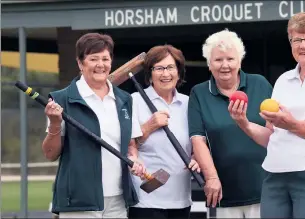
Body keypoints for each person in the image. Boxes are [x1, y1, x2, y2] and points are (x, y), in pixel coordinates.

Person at [228, 12, 305, 218]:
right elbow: (272, 137)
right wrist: (243, 122)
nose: (303, 45)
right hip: (276, 177)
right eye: (297, 39)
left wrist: (294, 125)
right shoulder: (283, 81)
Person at [42, 32, 145, 218]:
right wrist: (56, 123)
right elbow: (50, 154)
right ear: (80, 63)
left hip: (118, 199)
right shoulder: (61, 100)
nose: (101, 64)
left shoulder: (125, 100)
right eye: (93, 59)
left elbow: (130, 145)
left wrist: (135, 160)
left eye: (105, 58)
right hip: (79, 200)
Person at [188, 29, 273, 218]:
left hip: (266, 189)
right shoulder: (199, 93)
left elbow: (276, 132)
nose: (225, 65)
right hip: (223, 193)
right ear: (209, 64)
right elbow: (198, 139)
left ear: (240, 61)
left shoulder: (260, 84)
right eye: (218, 60)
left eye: (230, 59)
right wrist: (211, 177)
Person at [128, 45, 201, 219]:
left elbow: (197, 142)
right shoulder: (135, 101)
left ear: (178, 72)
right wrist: (149, 126)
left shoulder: (189, 103)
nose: (165, 74)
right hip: (147, 198)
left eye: (170, 67)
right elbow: (128, 146)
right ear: (149, 73)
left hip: (181, 197)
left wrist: (197, 157)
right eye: (159, 68)